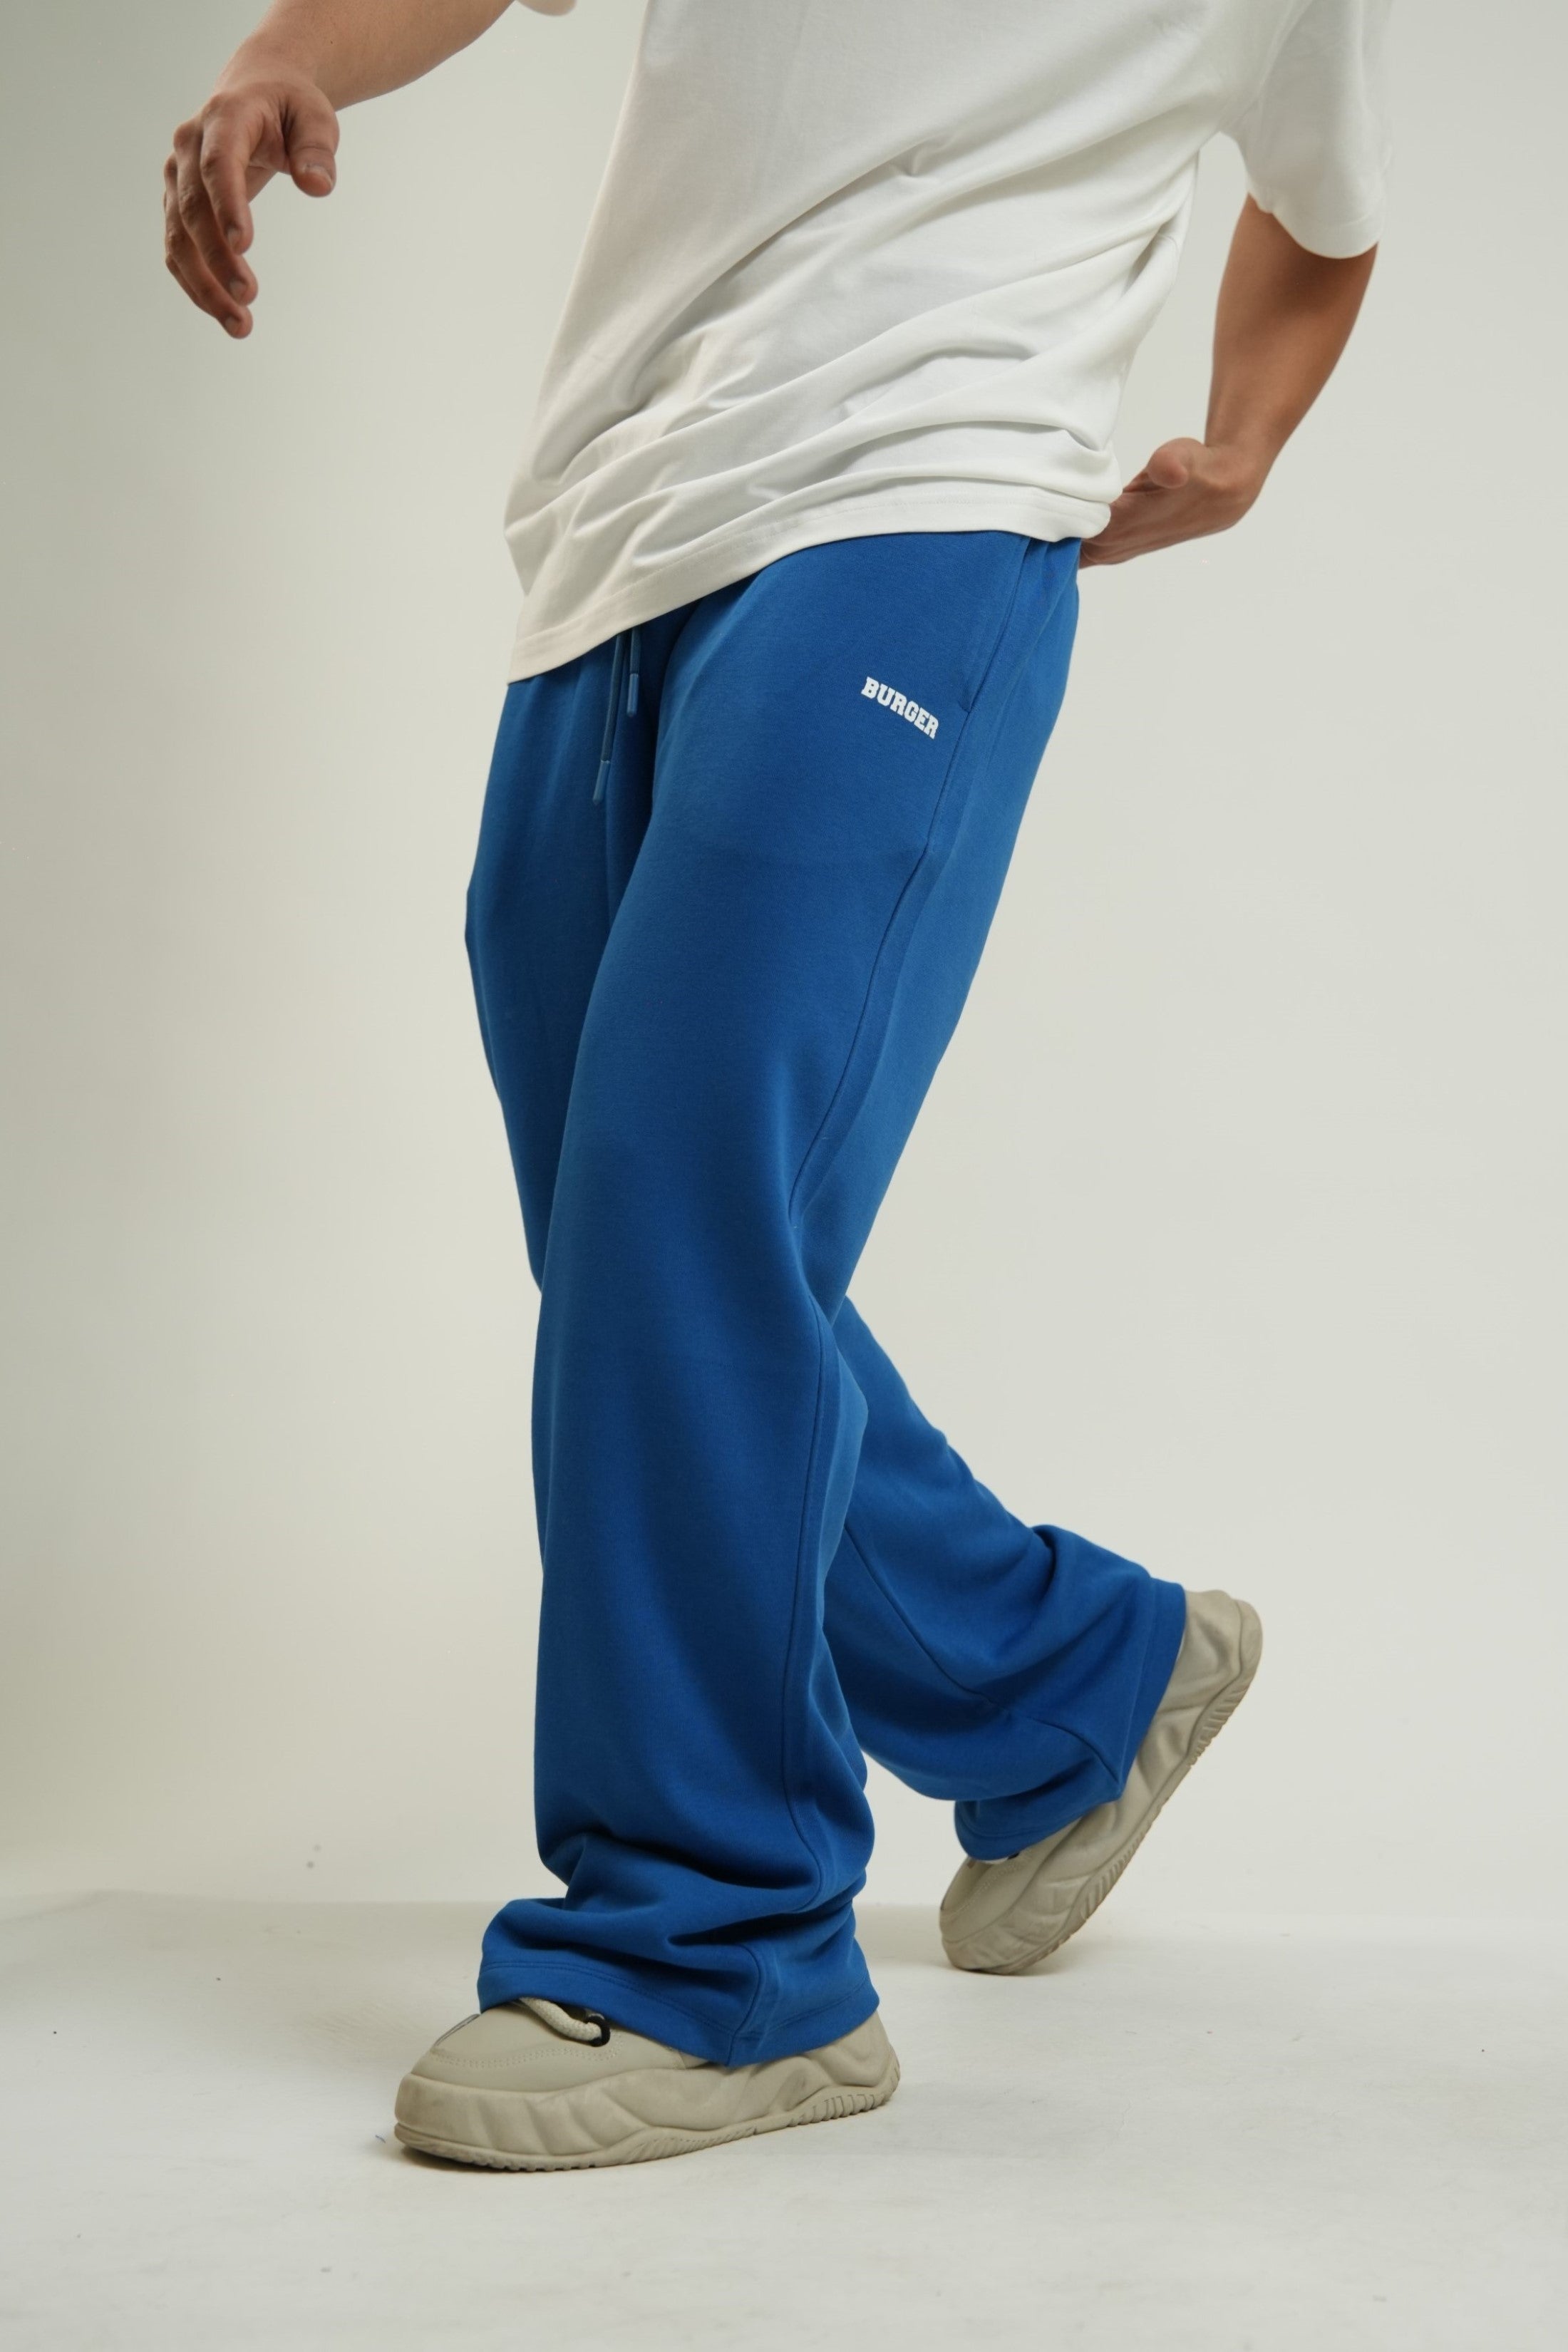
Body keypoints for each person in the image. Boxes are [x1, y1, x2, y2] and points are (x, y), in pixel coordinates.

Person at [165, 0, 1387, 2172]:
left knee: (677, 1200)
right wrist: (294, 57)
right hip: (621, 520)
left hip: (928, 496)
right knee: (647, 1251)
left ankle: (718, 1947)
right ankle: (1069, 1682)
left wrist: (1247, 437)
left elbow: (1327, 200)